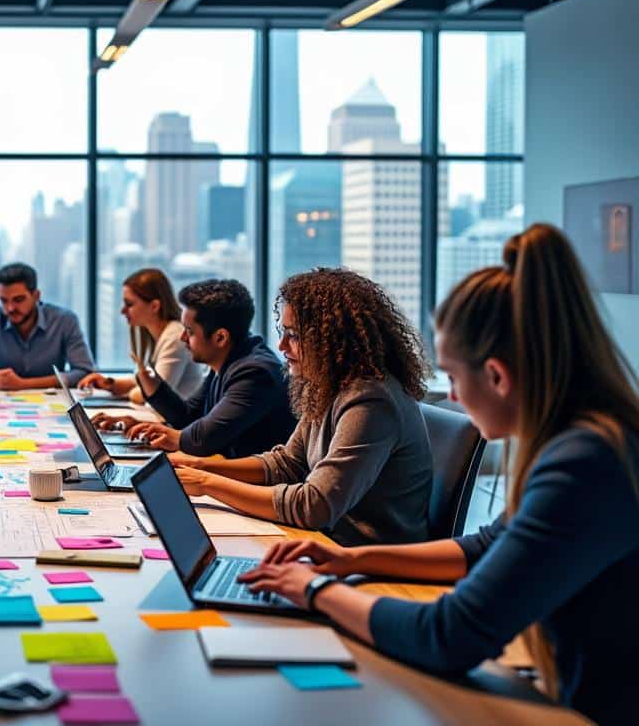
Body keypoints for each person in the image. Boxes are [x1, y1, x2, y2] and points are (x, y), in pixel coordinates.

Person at [240, 225, 639, 724]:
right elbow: (484, 546)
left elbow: (448, 635)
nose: (450, 397)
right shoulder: (589, 442)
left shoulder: (583, 464)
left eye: (452, 376)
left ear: (497, 375)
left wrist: (314, 590)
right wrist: (347, 559)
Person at [171, 268, 433, 546]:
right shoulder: (327, 385)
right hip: (325, 543)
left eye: (293, 335)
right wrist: (200, 467)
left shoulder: (371, 400)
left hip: (368, 560)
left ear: (332, 339)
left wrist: (206, 484)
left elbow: (314, 506)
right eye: (283, 332)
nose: (282, 345)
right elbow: (287, 464)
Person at [93, 278, 295, 459]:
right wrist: (144, 408)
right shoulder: (227, 361)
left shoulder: (255, 373)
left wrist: (165, 433)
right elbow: (187, 416)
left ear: (220, 338)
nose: (182, 338)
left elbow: (203, 439)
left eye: (189, 331)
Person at [78, 268, 201, 403]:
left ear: (154, 306)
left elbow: (153, 393)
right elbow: (142, 381)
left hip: (179, 422)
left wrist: (135, 393)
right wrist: (110, 384)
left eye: (129, 304)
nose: (123, 310)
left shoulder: (175, 337)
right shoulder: (158, 335)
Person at [0, 262, 97, 390]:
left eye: (18, 300)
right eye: (4, 300)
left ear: (36, 296)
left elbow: (84, 372)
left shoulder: (64, 320)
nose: (10, 308)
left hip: (50, 402)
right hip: (2, 402)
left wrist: (23, 384)